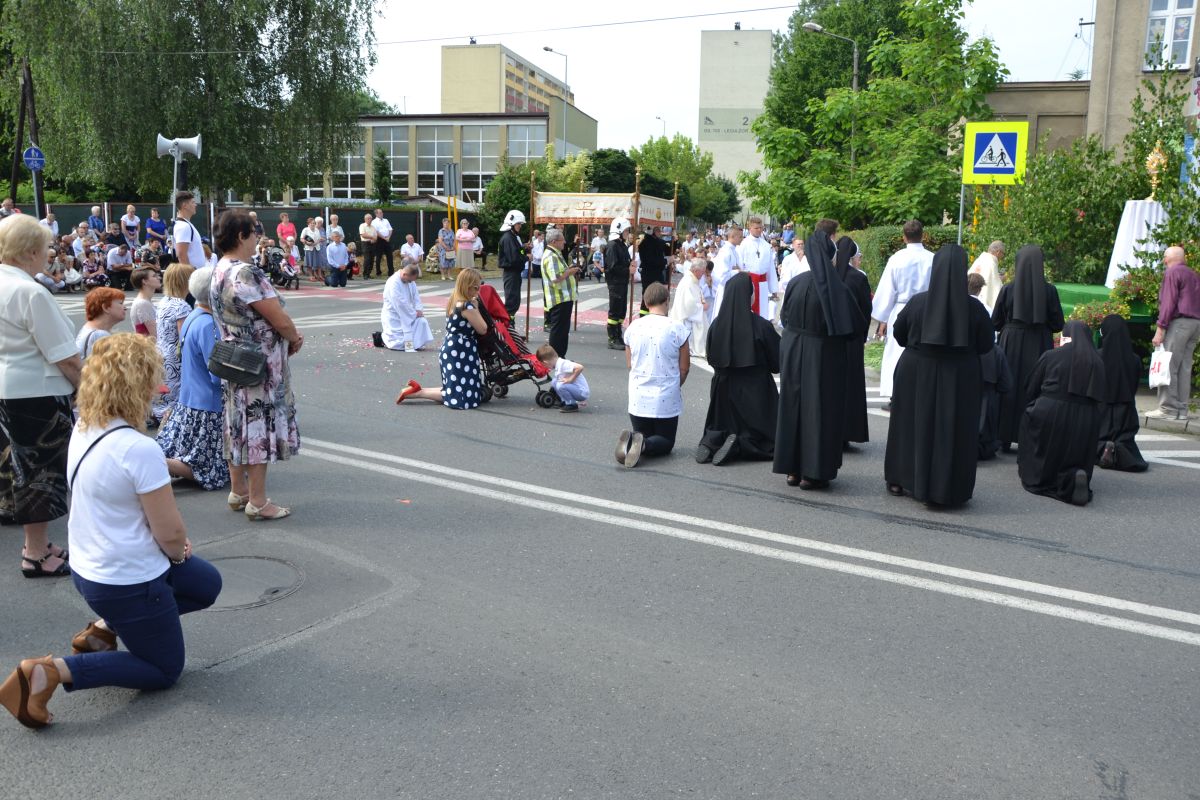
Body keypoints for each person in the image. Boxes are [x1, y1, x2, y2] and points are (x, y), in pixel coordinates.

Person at [0, 334, 222, 730]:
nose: (158, 387)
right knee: (164, 669)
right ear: (139, 385)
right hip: (129, 580)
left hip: (90, 569)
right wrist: (177, 550)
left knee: (206, 584)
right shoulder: (139, 449)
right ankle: (49, 672)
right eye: (153, 378)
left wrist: (173, 550)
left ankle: (104, 630)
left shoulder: (86, 426)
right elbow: (170, 534)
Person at [0, 214, 82, 578]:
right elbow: (65, 356)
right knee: (40, 474)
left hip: (9, 389)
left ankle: (40, 546)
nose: (49, 254)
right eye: (46, 247)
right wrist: (88, 391)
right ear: (30, 251)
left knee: (20, 470)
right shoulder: (30, 292)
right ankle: (34, 554)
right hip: (38, 393)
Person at [883, 244, 995, 506]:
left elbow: (900, 333)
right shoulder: (975, 308)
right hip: (960, 374)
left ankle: (901, 478)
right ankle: (947, 487)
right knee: (953, 428)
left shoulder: (918, 302)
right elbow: (986, 344)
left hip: (916, 369)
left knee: (908, 423)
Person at [210, 209, 303, 521]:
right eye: (254, 233)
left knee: (236, 422)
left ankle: (239, 491)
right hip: (258, 363)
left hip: (233, 358)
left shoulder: (219, 268)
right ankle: (259, 501)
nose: (257, 239)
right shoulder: (245, 273)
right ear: (241, 236)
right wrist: (293, 338)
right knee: (256, 426)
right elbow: (278, 317)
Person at [773, 225, 864, 490]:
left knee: (793, 406)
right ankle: (813, 472)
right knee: (821, 409)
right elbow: (854, 325)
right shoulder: (837, 288)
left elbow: (785, 316)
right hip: (824, 353)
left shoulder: (797, 282)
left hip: (793, 349)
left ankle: (792, 468)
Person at [1018, 321, 1107, 506]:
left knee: (1031, 422)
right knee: (1076, 449)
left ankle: (1041, 475)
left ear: (1066, 336)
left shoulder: (1052, 355)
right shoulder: (1097, 361)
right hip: (1086, 417)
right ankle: (1072, 476)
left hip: (1051, 410)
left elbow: (1031, 386)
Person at [157, 267, 231, 490]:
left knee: (191, 455)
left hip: (189, 399)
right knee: (207, 468)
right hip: (207, 404)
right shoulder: (209, 325)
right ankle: (151, 462)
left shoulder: (193, 316)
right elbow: (216, 372)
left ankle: (155, 462)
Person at [696, 272, 780, 466]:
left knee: (720, 425)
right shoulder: (761, 326)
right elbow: (777, 361)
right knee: (769, 440)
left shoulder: (716, 325)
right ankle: (741, 444)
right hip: (755, 391)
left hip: (723, 391)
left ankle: (711, 441)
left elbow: (711, 357)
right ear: (749, 295)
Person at [992, 244, 1064, 451]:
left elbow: (995, 322)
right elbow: (1058, 324)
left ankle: (1004, 436)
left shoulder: (1008, 289)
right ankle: (1031, 436)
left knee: (1008, 385)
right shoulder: (1049, 291)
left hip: (1011, 341)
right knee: (1035, 387)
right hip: (1039, 342)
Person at [618, 282, 690, 468]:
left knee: (643, 433)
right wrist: (676, 385)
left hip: (638, 394)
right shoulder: (677, 328)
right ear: (667, 301)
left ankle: (635, 441)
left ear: (645, 302)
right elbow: (684, 368)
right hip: (665, 393)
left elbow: (630, 364)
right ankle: (643, 444)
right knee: (666, 441)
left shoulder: (633, 327)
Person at [396, 269, 486, 409]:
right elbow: (483, 329)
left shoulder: (454, 301)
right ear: (467, 286)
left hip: (453, 349)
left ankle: (416, 391)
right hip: (461, 351)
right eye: (476, 287)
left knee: (456, 388)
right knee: (461, 396)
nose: (478, 291)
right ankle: (417, 392)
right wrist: (477, 308)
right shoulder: (466, 306)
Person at [871, 219, 934, 409]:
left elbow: (887, 290)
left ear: (904, 237)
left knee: (896, 352)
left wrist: (882, 317)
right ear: (923, 235)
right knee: (923, 351)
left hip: (901, 309)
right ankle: (921, 394)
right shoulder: (932, 258)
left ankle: (896, 395)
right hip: (927, 310)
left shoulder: (897, 259)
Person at [1148, 245, 1200, 420]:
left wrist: (1160, 328)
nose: (1163, 260)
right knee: (1184, 367)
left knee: (1168, 365)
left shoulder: (1172, 272)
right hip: (1195, 324)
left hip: (1179, 323)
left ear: (1168, 258)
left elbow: (1168, 302)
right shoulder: (1193, 274)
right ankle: (1182, 410)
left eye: (1164, 257)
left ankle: (1168, 409)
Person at [1096, 314, 1148, 472]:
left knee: (1094, 437)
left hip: (1101, 408)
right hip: (1126, 410)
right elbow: (1134, 385)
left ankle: (1102, 448)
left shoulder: (1097, 356)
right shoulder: (1135, 359)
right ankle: (1120, 449)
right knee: (1125, 441)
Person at [836, 235, 873, 447]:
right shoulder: (858, 278)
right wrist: (862, 335)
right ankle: (848, 431)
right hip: (852, 339)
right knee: (850, 386)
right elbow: (866, 311)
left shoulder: (827, 275)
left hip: (830, 339)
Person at [154, 263, 195, 420]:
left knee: (165, 393)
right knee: (176, 396)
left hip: (161, 351)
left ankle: (161, 417)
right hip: (175, 358)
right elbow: (184, 337)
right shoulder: (182, 306)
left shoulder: (164, 301)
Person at [540, 227, 579, 358]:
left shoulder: (555, 253)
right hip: (559, 298)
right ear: (554, 241)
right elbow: (555, 278)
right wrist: (570, 272)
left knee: (562, 330)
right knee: (558, 331)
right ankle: (555, 358)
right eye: (562, 240)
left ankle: (560, 357)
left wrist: (568, 269)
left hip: (563, 298)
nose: (564, 242)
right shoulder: (551, 256)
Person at [379, 264, 434, 351]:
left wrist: (418, 309)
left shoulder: (410, 281)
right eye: (409, 280)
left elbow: (416, 296)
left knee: (422, 321)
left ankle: (415, 344)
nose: (410, 282)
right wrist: (413, 313)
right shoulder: (393, 283)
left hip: (408, 313)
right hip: (394, 314)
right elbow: (399, 303)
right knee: (398, 341)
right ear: (405, 274)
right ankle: (383, 340)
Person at [737, 216, 780, 320]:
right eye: (756, 228)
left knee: (763, 311)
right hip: (749, 282)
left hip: (763, 283)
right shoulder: (743, 244)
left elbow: (770, 267)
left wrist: (773, 289)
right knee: (749, 309)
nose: (759, 230)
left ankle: (761, 328)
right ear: (750, 228)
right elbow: (739, 265)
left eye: (761, 228)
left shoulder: (766, 245)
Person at [669, 257, 709, 358]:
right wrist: (701, 307)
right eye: (702, 272)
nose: (703, 275)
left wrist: (702, 301)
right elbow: (688, 305)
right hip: (686, 320)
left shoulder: (692, 279)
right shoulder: (688, 282)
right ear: (696, 270)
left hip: (691, 316)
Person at [604, 217, 634, 350]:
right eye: (626, 230)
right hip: (615, 282)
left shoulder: (622, 245)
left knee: (621, 310)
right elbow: (612, 267)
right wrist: (628, 270)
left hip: (622, 281)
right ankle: (612, 338)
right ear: (619, 230)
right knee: (615, 310)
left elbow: (624, 261)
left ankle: (618, 334)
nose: (628, 233)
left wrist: (631, 263)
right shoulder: (612, 246)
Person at [76, 287, 127, 360]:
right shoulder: (99, 335)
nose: (125, 308)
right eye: (121, 303)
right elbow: (108, 365)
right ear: (105, 308)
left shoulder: (91, 329)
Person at [536, 344, 590, 412]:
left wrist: (570, 379)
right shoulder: (558, 364)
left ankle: (572, 404)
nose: (545, 367)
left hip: (581, 392)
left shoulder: (564, 364)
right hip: (575, 389)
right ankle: (564, 401)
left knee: (561, 385)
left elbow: (580, 367)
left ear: (545, 362)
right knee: (554, 381)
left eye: (544, 365)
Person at [709, 223, 744, 319]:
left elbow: (737, 268)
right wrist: (737, 271)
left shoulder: (734, 251)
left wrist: (737, 270)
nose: (742, 239)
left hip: (732, 289)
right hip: (725, 290)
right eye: (740, 236)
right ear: (732, 236)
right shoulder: (725, 251)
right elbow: (722, 276)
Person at [497, 210, 526, 314]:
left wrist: (524, 248)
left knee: (515, 301)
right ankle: (508, 321)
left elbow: (517, 252)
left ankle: (510, 320)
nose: (520, 226)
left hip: (515, 273)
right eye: (518, 224)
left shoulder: (513, 237)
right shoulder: (508, 238)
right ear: (511, 224)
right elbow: (514, 258)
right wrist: (527, 258)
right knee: (511, 302)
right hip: (511, 273)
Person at [638, 226, 670, 315]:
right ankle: (648, 316)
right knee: (651, 296)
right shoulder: (648, 243)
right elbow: (653, 261)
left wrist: (674, 240)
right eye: (658, 230)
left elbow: (669, 250)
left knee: (652, 297)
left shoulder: (654, 241)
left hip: (654, 274)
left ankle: (649, 315)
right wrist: (666, 261)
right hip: (651, 275)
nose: (660, 232)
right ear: (652, 231)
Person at [171, 191, 206, 269]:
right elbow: (181, 254)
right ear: (185, 205)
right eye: (193, 202)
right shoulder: (183, 226)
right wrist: (189, 274)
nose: (195, 205)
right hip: (192, 274)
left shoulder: (186, 224)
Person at [969, 240, 1005, 309]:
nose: (1003, 256)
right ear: (998, 252)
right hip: (982, 306)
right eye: (1003, 254)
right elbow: (996, 289)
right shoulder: (991, 263)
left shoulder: (979, 260)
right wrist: (1001, 280)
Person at [129, 267, 160, 337]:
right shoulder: (143, 303)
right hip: (148, 343)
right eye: (154, 276)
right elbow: (155, 334)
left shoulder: (145, 301)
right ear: (144, 281)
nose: (158, 278)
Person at [371, 208, 394, 279]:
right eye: (380, 213)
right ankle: (378, 272)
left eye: (382, 212)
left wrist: (388, 237)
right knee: (379, 256)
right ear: (376, 214)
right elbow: (376, 232)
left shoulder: (386, 220)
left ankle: (391, 272)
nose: (382, 214)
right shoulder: (374, 222)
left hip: (387, 239)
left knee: (390, 256)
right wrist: (384, 238)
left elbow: (390, 229)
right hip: (379, 240)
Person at [358, 213, 378, 278]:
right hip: (365, 244)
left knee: (372, 259)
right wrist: (371, 237)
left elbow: (376, 237)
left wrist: (374, 239)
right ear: (365, 219)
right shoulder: (362, 225)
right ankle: (365, 274)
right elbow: (363, 235)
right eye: (368, 218)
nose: (370, 220)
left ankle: (368, 273)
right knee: (367, 259)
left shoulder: (373, 227)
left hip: (372, 244)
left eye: (371, 218)